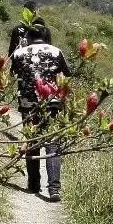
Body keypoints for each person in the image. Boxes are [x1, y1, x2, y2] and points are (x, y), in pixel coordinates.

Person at [9, 21, 70, 202]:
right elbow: (66, 74)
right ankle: (54, 189)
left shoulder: (19, 53)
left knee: (32, 142)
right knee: (53, 144)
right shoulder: (56, 51)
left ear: (28, 36)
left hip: (28, 104)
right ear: (45, 35)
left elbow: (14, 73)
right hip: (52, 103)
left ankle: (34, 183)